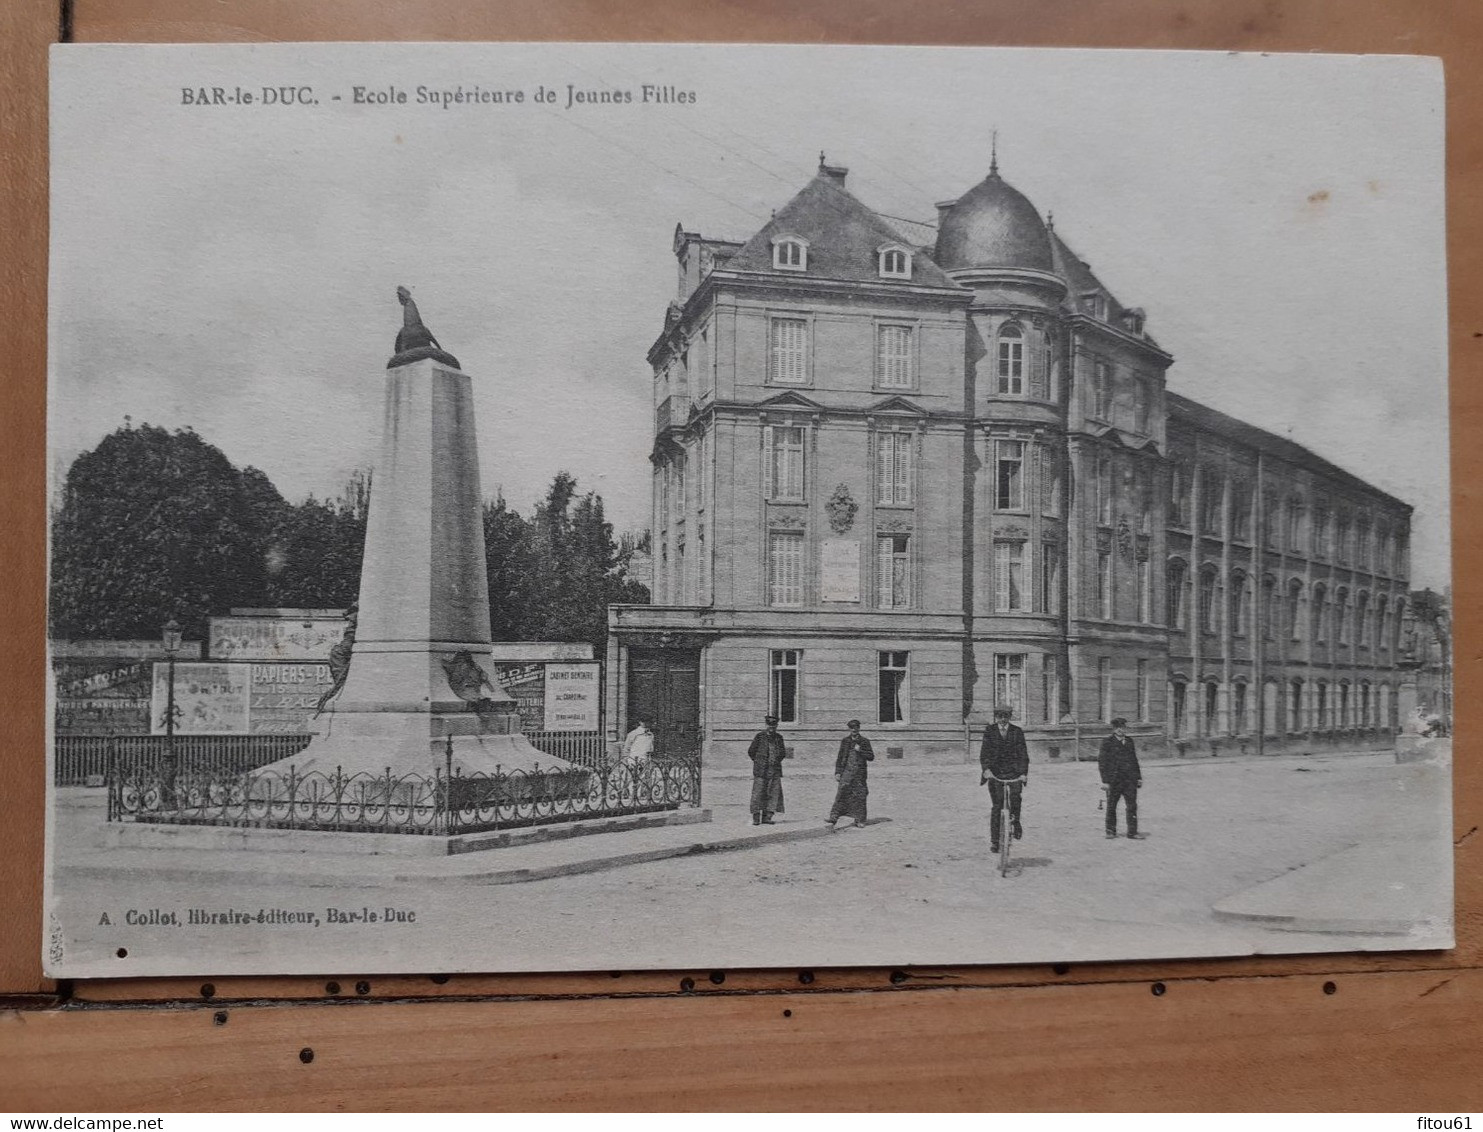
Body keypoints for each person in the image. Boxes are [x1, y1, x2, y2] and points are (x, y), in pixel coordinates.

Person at [980, 705, 1029, 853]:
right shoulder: (990, 731)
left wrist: (1023, 773)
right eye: (1000, 716)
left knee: (1015, 798)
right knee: (997, 805)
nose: (1003, 719)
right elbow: (984, 753)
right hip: (995, 773)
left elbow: (1023, 755)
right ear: (996, 717)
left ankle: (1016, 823)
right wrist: (986, 770)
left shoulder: (1017, 732)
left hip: (1014, 773)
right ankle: (995, 841)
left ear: (1010, 717)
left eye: (1006, 716)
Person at [1099, 717, 1146, 840]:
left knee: (1132, 806)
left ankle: (1132, 832)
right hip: (1114, 781)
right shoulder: (1107, 742)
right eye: (1118, 728)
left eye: (1123, 727)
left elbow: (1134, 760)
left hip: (1129, 780)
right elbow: (1102, 763)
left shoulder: (1130, 741)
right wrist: (1105, 781)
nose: (1120, 730)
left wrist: (1138, 777)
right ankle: (1110, 831)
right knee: (1111, 806)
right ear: (1114, 729)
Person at [827, 719, 874, 828]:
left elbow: (871, 757)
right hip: (846, 772)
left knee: (860, 796)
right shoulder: (845, 741)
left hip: (859, 774)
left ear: (859, 728)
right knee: (841, 794)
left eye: (856, 727)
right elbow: (839, 757)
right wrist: (837, 772)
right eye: (852, 728)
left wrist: (860, 750)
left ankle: (860, 820)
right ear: (849, 729)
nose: (854, 730)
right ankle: (833, 818)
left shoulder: (864, 741)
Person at [747, 714, 790, 825]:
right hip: (761, 770)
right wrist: (759, 762)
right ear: (766, 725)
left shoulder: (779, 738)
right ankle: (756, 818)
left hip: (774, 770)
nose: (771, 728)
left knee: (773, 793)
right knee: (758, 793)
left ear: (776, 726)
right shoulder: (759, 737)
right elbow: (751, 751)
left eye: (774, 726)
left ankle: (767, 817)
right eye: (769, 726)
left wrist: (775, 762)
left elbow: (782, 753)